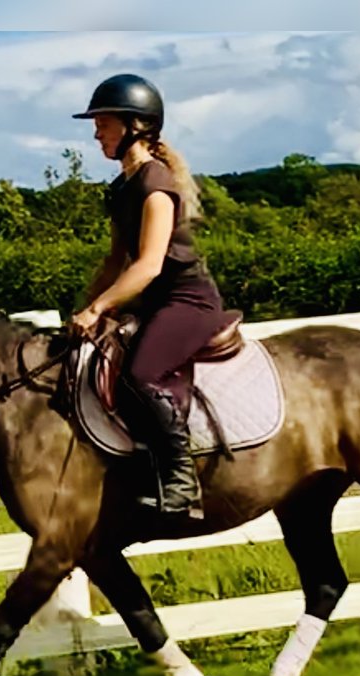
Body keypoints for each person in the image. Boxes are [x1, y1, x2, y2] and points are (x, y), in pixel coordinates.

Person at [70, 73, 228, 520]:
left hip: (187, 300)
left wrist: (102, 307)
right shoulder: (121, 187)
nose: (96, 131)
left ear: (136, 126)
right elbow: (115, 262)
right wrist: (85, 309)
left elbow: (148, 265)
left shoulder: (155, 185)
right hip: (151, 302)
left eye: (104, 122)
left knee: (140, 375)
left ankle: (181, 480)